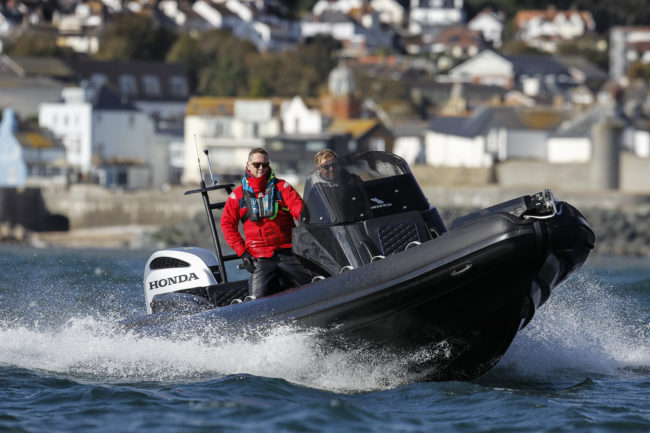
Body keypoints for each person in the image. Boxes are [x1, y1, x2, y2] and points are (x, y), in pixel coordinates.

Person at [220, 148, 312, 299]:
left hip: (289, 252)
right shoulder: (237, 196)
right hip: (260, 257)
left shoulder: (282, 187)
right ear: (248, 165)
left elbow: (297, 207)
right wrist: (243, 253)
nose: (261, 168)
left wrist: (304, 216)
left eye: (265, 165)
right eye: (257, 165)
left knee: (315, 285)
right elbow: (227, 225)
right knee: (256, 302)